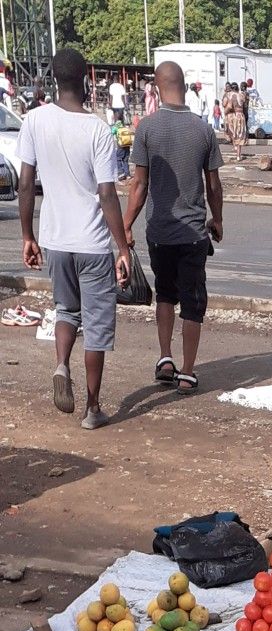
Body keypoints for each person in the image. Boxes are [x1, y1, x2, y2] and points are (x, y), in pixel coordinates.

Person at [16, 49, 130, 429]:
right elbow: (107, 194)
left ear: (53, 78)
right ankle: (93, 409)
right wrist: (123, 247)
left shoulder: (33, 120)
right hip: (92, 243)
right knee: (96, 326)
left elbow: (26, 183)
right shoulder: (96, 128)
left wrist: (28, 235)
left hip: (55, 239)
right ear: (85, 79)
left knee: (66, 311)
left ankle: (62, 365)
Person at [123, 61, 224, 394]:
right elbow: (214, 185)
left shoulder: (147, 128)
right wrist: (217, 219)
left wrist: (125, 226)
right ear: (184, 85)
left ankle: (165, 358)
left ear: (156, 86)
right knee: (193, 302)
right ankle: (188, 372)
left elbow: (139, 185)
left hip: (159, 232)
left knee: (165, 294)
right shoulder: (203, 129)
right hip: (194, 234)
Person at [227, 82, 247, 162]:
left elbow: (230, 107)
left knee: (235, 133)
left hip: (235, 115)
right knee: (240, 135)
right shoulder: (242, 96)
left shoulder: (231, 96)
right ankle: (239, 155)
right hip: (241, 115)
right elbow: (245, 106)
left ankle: (237, 151)